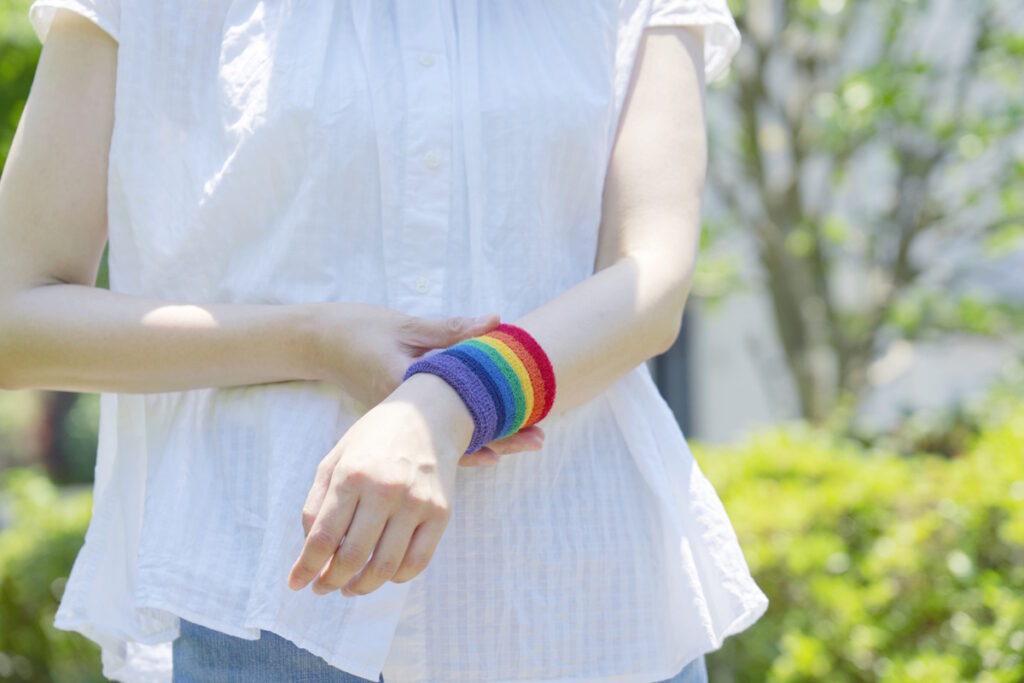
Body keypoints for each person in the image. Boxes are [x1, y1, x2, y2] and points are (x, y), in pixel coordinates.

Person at [0, 0, 769, 681]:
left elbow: (650, 285)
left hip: (583, 607)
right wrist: (315, 339)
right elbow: (15, 317)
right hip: (269, 615)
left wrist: (447, 400)